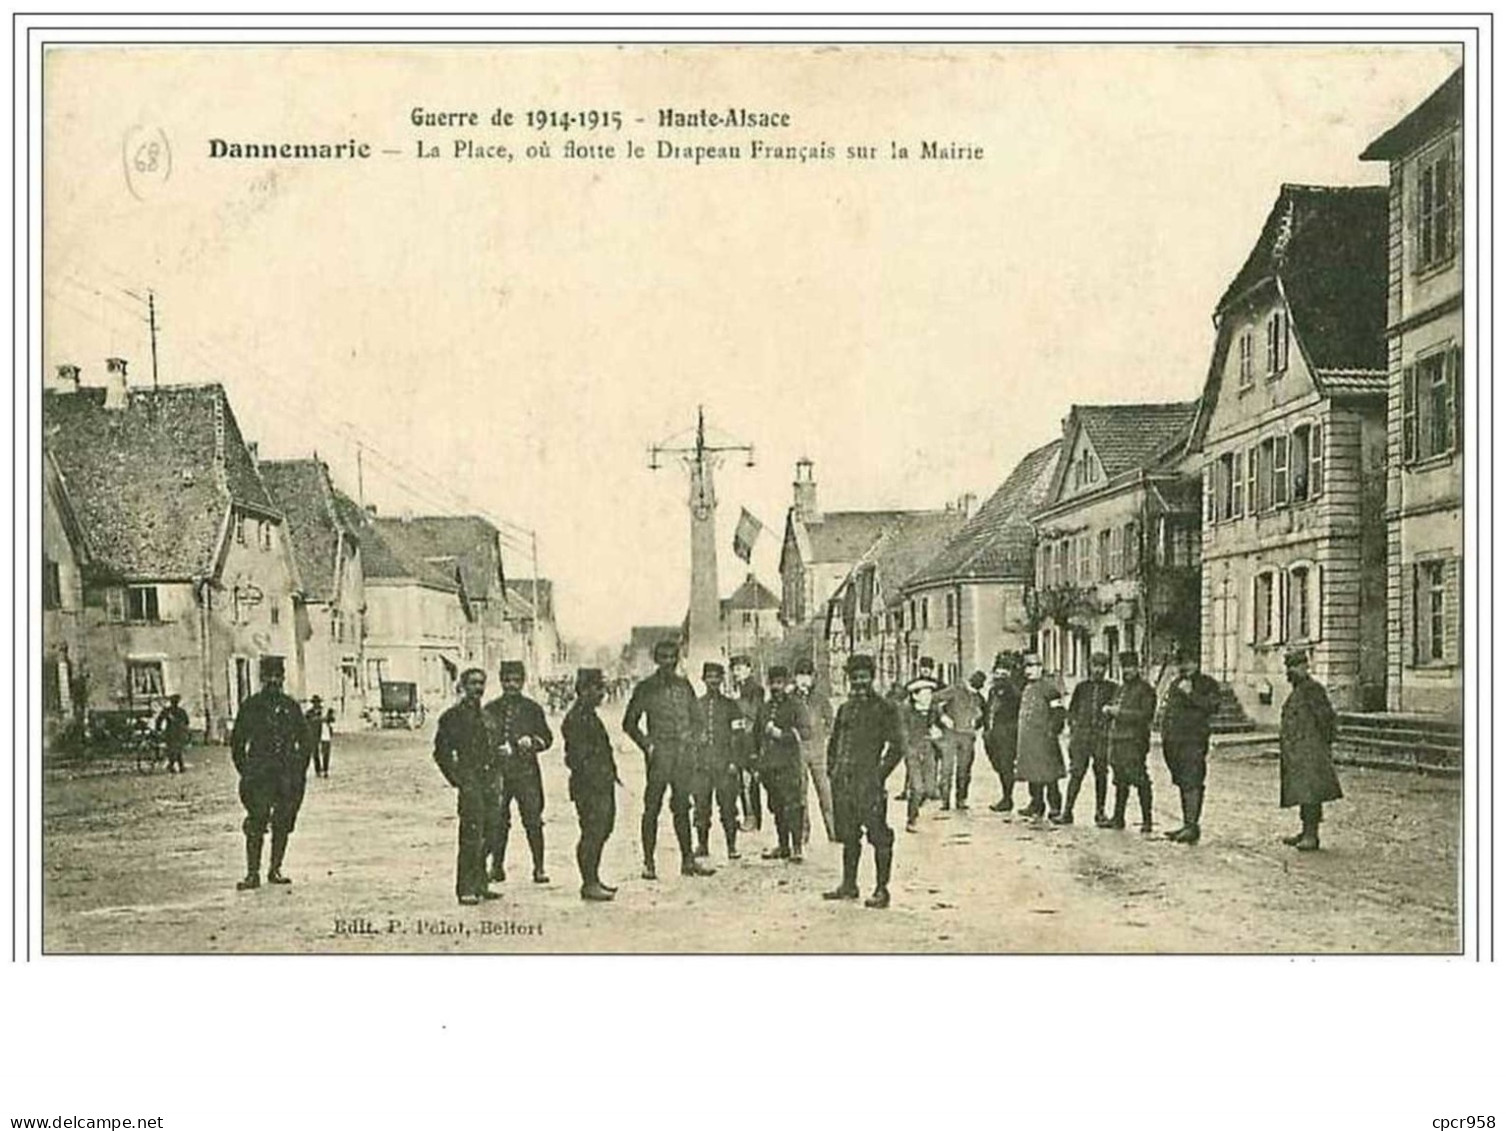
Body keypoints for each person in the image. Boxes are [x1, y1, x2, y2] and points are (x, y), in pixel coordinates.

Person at [623, 640, 716, 880]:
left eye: (672, 657)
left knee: (682, 807)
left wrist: (695, 739)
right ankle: (648, 863)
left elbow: (697, 719)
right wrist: (648, 745)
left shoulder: (684, 686)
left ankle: (687, 860)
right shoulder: (645, 688)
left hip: (683, 755)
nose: (667, 662)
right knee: (652, 807)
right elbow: (629, 724)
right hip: (659, 756)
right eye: (663, 657)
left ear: (677, 659)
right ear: (656, 659)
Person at [822, 654, 905, 909]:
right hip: (843, 782)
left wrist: (878, 775)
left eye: (864, 677)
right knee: (848, 835)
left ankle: (882, 890)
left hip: (868, 783)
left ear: (872, 678)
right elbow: (834, 742)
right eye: (855, 677)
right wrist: (832, 770)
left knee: (879, 835)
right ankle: (849, 884)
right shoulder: (845, 709)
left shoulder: (884, 708)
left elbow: (897, 746)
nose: (859, 682)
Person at [230, 657, 311, 890]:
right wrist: (246, 770)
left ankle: (275, 869)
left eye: (277, 677)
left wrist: (298, 770)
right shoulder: (251, 706)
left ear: (283, 679)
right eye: (268, 677)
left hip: (286, 776)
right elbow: (237, 742)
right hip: (259, 776)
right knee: (256, 821)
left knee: (283, 822)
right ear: (261, 679)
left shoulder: (291, 707)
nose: (273, 681)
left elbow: (305, 742)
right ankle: (252, 874)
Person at [433, 668, 501, 905]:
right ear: (462, 685)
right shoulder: (453, 717)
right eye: (473, 683)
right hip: (471, 782)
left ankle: (481, 883)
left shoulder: (488, 716)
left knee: (492, 833)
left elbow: (496, 746)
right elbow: (441, 752)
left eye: (481, 683)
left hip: (491, 783)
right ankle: (466, 887)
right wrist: (458, 779)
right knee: (471, 835)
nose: (478, 688)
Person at [483, 660, 554, 885]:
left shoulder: (533, 709)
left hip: (526, 774)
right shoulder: (490, 709)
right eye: (506, 680)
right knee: (497, 821)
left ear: (523, 682)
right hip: (500, 775)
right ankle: (497, 866)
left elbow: (547, 739)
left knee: (533, 820)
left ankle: (539, 867)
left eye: (515, 680)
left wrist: (532, 742)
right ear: (500, 681)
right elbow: (481, 742)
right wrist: (494, 750)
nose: (511, 685)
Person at [562, 667, 619, 901]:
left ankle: (594, 878)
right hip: (590, 786)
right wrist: (599, 776)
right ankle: (589, 883)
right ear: (584, 690)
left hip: (600, 784)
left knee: (602, 829)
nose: (602, 693)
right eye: (598, 688)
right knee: (593, 832)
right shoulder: (577, 718)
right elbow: (577, 758)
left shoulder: (588, 714)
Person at [1278, 650, 1342, 851]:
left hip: (1310, 751)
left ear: (1305, 667)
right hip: (1299, 751)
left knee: (1310, 793)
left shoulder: (1312, 689)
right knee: (1303, 793)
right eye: (1290, 667)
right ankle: (1305, 831)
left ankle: (1311, 836)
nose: (1292, 671)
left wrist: (1321, 745)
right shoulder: (1300, 690)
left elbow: (1326, 718)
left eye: (1297, 667)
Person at [1160, 644, 1221, 844]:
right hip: (1174, 742)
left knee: (1193, 781)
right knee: (1182, 782)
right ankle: (1187, 824)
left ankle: (1193, 826)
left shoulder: (1207, 684)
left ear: (1196, 663)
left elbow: (1212, 707)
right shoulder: (1176, 683)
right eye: (1180, 663)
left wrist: (1191, 694)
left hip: (1193, 741)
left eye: (1187, 662)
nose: (1183, 667)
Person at [757, 665, 813, 862]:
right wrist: (757, 762)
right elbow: (757, 736)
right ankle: (783, 846)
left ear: (787, 683)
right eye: (772, 683)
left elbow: (806, 732)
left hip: (790, 764)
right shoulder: (764, 708)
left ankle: (797, 847)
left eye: (780, 682)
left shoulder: (796, 706)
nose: (776, 687)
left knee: (794, 806)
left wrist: (782, 735)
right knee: (777, 806)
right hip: (770, 766)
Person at [1057, 653, 1117, 825]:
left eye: (1102, 666)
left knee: (1101, 774)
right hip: (1082, 738)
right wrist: (1075, 727)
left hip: (1101, 738)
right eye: (1095, 666)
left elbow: (1114, 711)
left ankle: (1100, 813)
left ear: (1106, 668)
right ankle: (1067, 812)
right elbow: (1072, 710)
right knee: (1076, 773)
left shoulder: (1112, 688)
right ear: (1090, 666)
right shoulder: (1082, 687)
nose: (1098, 670)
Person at [1100, 651, 1157, 833]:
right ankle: (1118, 818)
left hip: (1134, 741)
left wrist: (1118, 713)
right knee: (1120, 781)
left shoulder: (1145, 689)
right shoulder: (1121, 689)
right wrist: (1107, 712)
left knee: (1140, 780)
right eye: (1124, 667)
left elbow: (1145, 715)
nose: (1127, 671)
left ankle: (1147, 820)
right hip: (1117, 740)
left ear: (1138, 668)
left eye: (1131, 667)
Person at [693, 661, 742, 860]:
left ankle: (731, 846)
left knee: (728, 807)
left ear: (722, 680)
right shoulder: (696, 706)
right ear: (704, 680)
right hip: (702, 765)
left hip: (724, 764)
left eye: (716, 677)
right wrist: (697, 739)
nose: (713, 681)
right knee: (701, 807)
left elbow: (738, 737)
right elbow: (688, 734)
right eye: (709, 677)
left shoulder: (731, 706)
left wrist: (734, 761)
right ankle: (702, 845)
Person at [1015, 653, 1066, 821]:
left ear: (1040, 668)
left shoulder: (1049, 689)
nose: (1030, 671)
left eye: (1034, 667)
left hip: (1045, 738)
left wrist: (1053, 730)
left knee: (1049, 774)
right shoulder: (1026, 688)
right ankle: (1036, 804)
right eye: (1027, 667)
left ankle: (1055, 806)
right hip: (1029, 739)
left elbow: (1058, 712)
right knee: (1032, 773)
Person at [793, 657, 836, 842]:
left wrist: (823, 736)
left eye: (807, 675)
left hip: (819, 752)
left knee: (826, 793)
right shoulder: (790, 699)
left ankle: (834, 831)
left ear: (813, 678)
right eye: (800, 675)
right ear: (795, 677)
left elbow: (831, 721)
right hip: (798, 751)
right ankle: (803, 833)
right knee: (800, 794)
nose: (803, 679)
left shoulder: (820, 698)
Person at [938, 670, 987, 811]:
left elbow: (984, 716)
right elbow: (934, 701)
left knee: (964, 770)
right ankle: (945, 800)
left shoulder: (979, 698)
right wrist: (942, 717)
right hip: (950, 735)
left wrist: (976, 724)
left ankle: (961, 799)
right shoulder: (955, 690)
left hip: (968, 737)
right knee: (947, 769)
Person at [899, 677, 943, 832]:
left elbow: (939, 726)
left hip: (929, 750)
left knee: (930, 789)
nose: (929, 698)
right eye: (925, 695)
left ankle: (918, 804)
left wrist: (938, 732)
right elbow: (902, 734)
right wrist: (909, 750)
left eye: (930, 694)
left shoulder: (934, 709)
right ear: (915, 696)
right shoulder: (905, 711)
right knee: (917, 788)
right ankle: (911, 819)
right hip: (913, 752)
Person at [982, 652, 1024, 812]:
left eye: (1003, 673)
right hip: (992, 734)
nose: (999, 676)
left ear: (1008, 674)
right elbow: (989, 710)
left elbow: (1018, 712)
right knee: (998, 765)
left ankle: (1007, 799)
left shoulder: (1013, 691)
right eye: (997, 673)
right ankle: (1006, 796)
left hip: (1007, 735)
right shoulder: (992, 691)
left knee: (1006, 766)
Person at [730, 655, 765, 833]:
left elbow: (754, 713)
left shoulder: (756, 689)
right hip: (739, 740)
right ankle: (749, 816)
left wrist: (736, 701)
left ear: (749, 669)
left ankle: (753, 817)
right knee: (741, 780)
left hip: (753, 740)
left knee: (750, 781)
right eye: (735, 669)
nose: (737, 673)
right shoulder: (736, 689)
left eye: (741, 668)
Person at [154, 693, 190, 774]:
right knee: (176, 749)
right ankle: (177, 766)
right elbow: (187, 722)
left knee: (174, 749)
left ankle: (175, 765)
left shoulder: (168, 711)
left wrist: (158, 728)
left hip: (171, 732)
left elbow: (159, 720)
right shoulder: (180, 711)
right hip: (176, 732)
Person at [305, 696, 335, 778]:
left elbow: (332, 719)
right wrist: (319, 719)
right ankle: (317, 770)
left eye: (318, 702)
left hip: (325, 734)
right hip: (314, 734)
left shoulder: (325, 711)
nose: (316, 704)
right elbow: (307, 722)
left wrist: (328, 717)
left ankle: (325, 769)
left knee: (326, 753)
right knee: (315, 753)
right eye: (315, 703)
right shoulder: (309, 713)